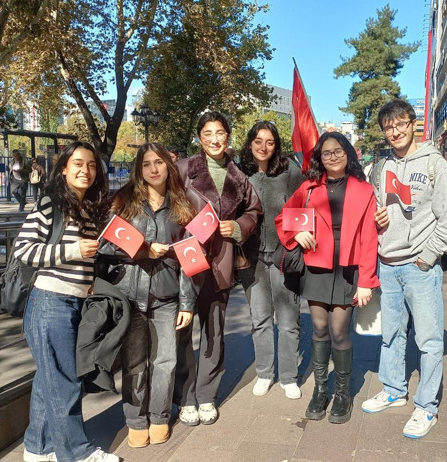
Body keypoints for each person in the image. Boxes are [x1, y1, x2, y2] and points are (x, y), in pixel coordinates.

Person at [13, 141, 117, 462]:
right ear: (64, 169)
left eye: (91, 165)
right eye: (78, 164)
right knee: (65, 381)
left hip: (72, 305)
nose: (85, 170)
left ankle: (38, 448)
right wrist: (73, 251)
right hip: (49, 303)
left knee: (50, 379)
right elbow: (23, 250)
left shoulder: (87, 209)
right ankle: (76, 453)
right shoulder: (51, 203)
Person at [361, 99, 447, 439]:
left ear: (414, 124)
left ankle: (426, 407)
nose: (395, 132)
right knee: (390, 335)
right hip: (388, 264)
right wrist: (377, 217)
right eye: (388, 127)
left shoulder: (437, 167)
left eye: (401, 124)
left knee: (429, 340)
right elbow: (377, 207)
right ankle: (393, 389)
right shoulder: (381, 166)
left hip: (419, 266)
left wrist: (427, 257)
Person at [97, 143, 197, 448]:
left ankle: (159, 416)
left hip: (168, 297)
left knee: (165, 361)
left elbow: (190, 258)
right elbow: (105, 246)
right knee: (135, 362)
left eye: (159, 163)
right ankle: (136, 420)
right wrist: (142, 249)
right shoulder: (124, 202)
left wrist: (187, 303)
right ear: (139, 170)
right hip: (131, 297)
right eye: (146, 164)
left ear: (169, 166)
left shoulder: (182, 206)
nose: (154, 169)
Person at [276, 132, 379, 424]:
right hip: (316, 265)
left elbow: (370, 237)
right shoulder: (309, 187)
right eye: (326, 153)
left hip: (348, 267)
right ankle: (321, 389)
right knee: (319, 329)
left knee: (340, 332)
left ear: (348, 153)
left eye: (338, 151)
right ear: (319, 158)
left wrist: (366, 280)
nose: (332, 157)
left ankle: (343, 392)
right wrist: (297, 232)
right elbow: (284, 219)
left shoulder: (364, 190)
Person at [173, 111, 262, 426]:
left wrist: (237, 227)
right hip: (184, 262)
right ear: (199, 138)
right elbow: (163, 201)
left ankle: (207, 395)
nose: (214, 139)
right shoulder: (183, 169)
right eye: (208, 133)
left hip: (220, 261)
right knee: (181, 332)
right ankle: (185, 397)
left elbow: (254, 209)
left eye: (220, 132)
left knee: (213, 333)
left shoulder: (238, 175)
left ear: (228, 136)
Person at [236, 121, 304, 399]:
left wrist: (301, 236)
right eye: (258, 141)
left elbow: (306, 206)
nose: (263, 147)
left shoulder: (290, 172)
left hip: (283, 256)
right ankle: (265, 373)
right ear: (250, 143)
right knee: (260, 318)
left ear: (277, 146)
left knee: (288, 320)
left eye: (270, 142)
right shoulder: (241, 174)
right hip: (251, 259)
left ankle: (289, 376)